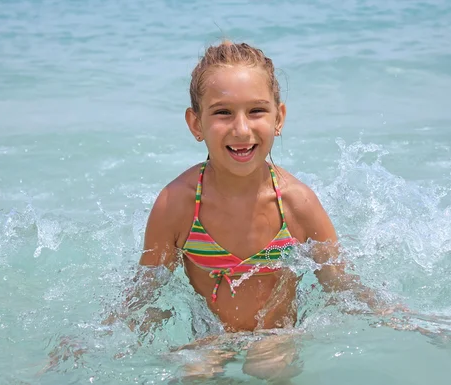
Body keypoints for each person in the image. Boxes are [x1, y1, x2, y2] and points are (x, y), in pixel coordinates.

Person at [102, 40, 401, 380]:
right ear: (196, 123)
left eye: (256, 111)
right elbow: (145, 292)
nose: (241, 129)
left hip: (277, 337)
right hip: (210, 337)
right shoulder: (177, 205)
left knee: (266, 365)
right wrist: (96, 341)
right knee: (196, 369)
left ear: (279, 118)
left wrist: (400, 317)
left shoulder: (297, 204)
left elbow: (340, 281)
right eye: (222, 112)